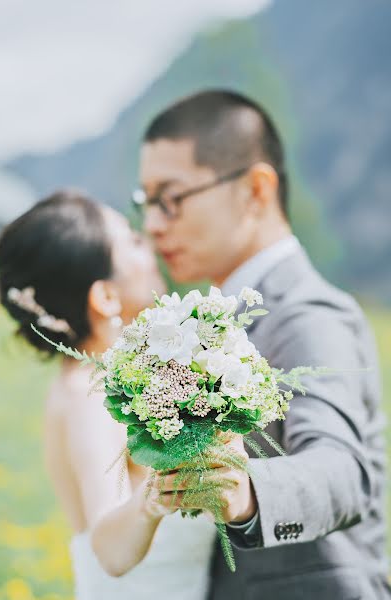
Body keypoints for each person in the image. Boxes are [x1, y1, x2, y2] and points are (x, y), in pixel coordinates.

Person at [136, 90, 390, 599]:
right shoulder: (208, 318)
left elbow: (341, 468)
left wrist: (245, 490)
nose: (153, 225)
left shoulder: (308, 312)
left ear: (255, 189)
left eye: (172, 198)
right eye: (145, 203)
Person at [0, 191, 216, 600]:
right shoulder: (89, 397)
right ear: (105, 297)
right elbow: (109, 547)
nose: (149, 245)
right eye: (132, 240)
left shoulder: (108, 382)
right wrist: (160, 492)